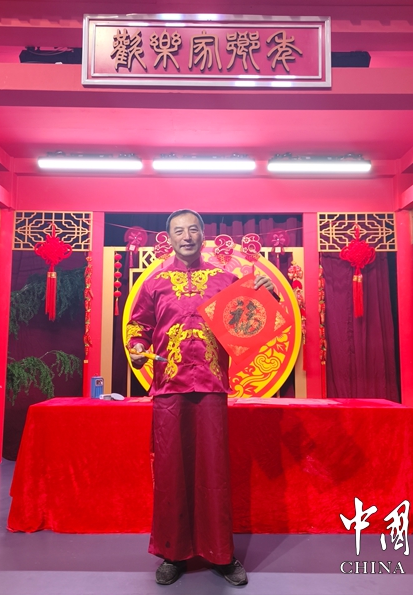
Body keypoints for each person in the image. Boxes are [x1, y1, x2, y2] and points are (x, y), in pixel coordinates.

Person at [127, 209, 276, 587]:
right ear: (169, 239)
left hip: (211, 385)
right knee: (171, 472)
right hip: (169, 388)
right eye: (179, 231)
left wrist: (265, 294)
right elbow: (137, 326)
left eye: (193, 229)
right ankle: (173, 554)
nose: (187, 236)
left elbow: (248, 321)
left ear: (203, 235)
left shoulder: (225, 280)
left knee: (214, 472)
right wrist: (137, 347)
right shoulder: (155, 283)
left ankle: (221, 554)